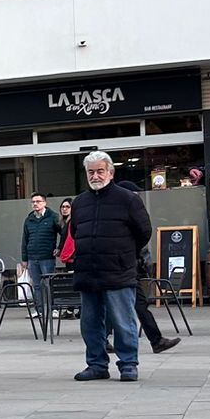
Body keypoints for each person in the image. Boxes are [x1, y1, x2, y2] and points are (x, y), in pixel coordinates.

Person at [69, 151, 152, 382]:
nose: (95, 176)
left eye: (100, 171)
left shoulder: (128, 199)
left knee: (123, 321)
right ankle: (96, 365)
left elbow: (144, 232)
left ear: (111, 173)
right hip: (88, 270)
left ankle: (128, 365)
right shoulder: (80, 202)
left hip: (118, 271)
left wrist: (123, 254)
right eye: (91, 172)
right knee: (90, 323)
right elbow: (76, 232)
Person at [22, 193, 62, 299]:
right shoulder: (29, 219)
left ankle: (52, 310)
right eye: (33, 202)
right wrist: (24, 259)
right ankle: (39, 311)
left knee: (49, 284)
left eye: (38, 201)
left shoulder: (53, 217)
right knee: (36, 286)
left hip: (47, 257)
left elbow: (64, 233)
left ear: (44, 203)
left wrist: (59, 248)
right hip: (32, 258)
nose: (35, 204)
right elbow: (25, 240)